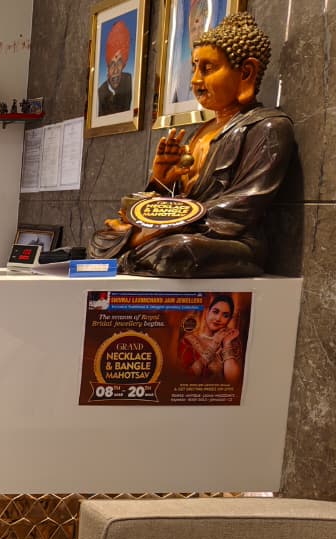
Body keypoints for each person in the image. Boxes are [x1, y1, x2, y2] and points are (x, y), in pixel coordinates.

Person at [89, 13, 295, 277]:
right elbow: (179, 200)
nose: (195, 80)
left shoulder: (267, 128)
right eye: (194, 68)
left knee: (178, 251)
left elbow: (243, 206)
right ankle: (132, 249)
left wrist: (154, 231)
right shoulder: (201, 132)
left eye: (207, 69)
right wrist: (161, 180)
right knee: (100, 239)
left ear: (246, 73)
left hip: (228, 240)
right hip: (178, 229)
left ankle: (129, 251)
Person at [176, 294, 242, 383]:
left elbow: (232, 381)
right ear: (207, 313)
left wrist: (226, 343)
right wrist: (214, 345)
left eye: (225, 315)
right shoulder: (189, 341)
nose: (218, 318)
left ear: (229, 320)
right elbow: (186, 378)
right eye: (215, 312)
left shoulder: (231, 343)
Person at [97, 19, 133, 116]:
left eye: (119, 62)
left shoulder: (130, 82)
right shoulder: (100, 92)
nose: (116, 70)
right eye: (112, 64)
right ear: (107, 66)